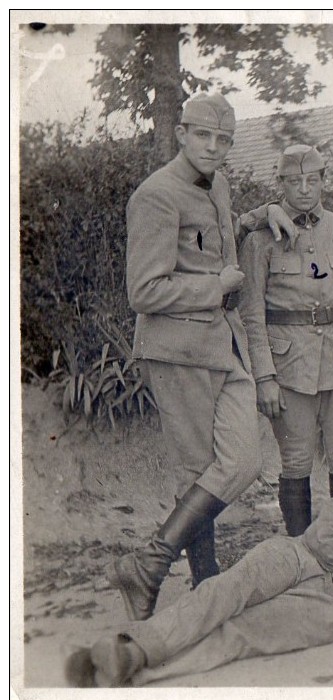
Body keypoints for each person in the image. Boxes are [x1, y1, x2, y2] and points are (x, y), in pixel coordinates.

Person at [65, 433, 333, 687]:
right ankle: (137, 643)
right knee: (227, 589)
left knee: (246, 631)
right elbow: (327, 525)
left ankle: (135, 667)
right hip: (303, 554)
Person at [110, 93, 262, 621]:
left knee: (244, 460)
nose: (214, 149)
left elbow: (215, 237)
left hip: (223, 344)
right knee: (197, 467)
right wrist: (212, 286)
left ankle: (149, 563)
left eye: (225, 141)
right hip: (177, 350)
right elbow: (144, 292)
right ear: (180, 133)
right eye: (204, 137)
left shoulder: (218, 184)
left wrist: (256, 218)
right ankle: (204, 581)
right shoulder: (154, 196)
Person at [239, 144, 333, 535]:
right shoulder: (260, 241)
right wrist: (264, 377)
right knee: (296, 462)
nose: (304, 188)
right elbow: (252, 315)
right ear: (280, 184)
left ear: (323, 181)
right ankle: (299, 550)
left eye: (312, 179)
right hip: (289, 367)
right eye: (294, 181)